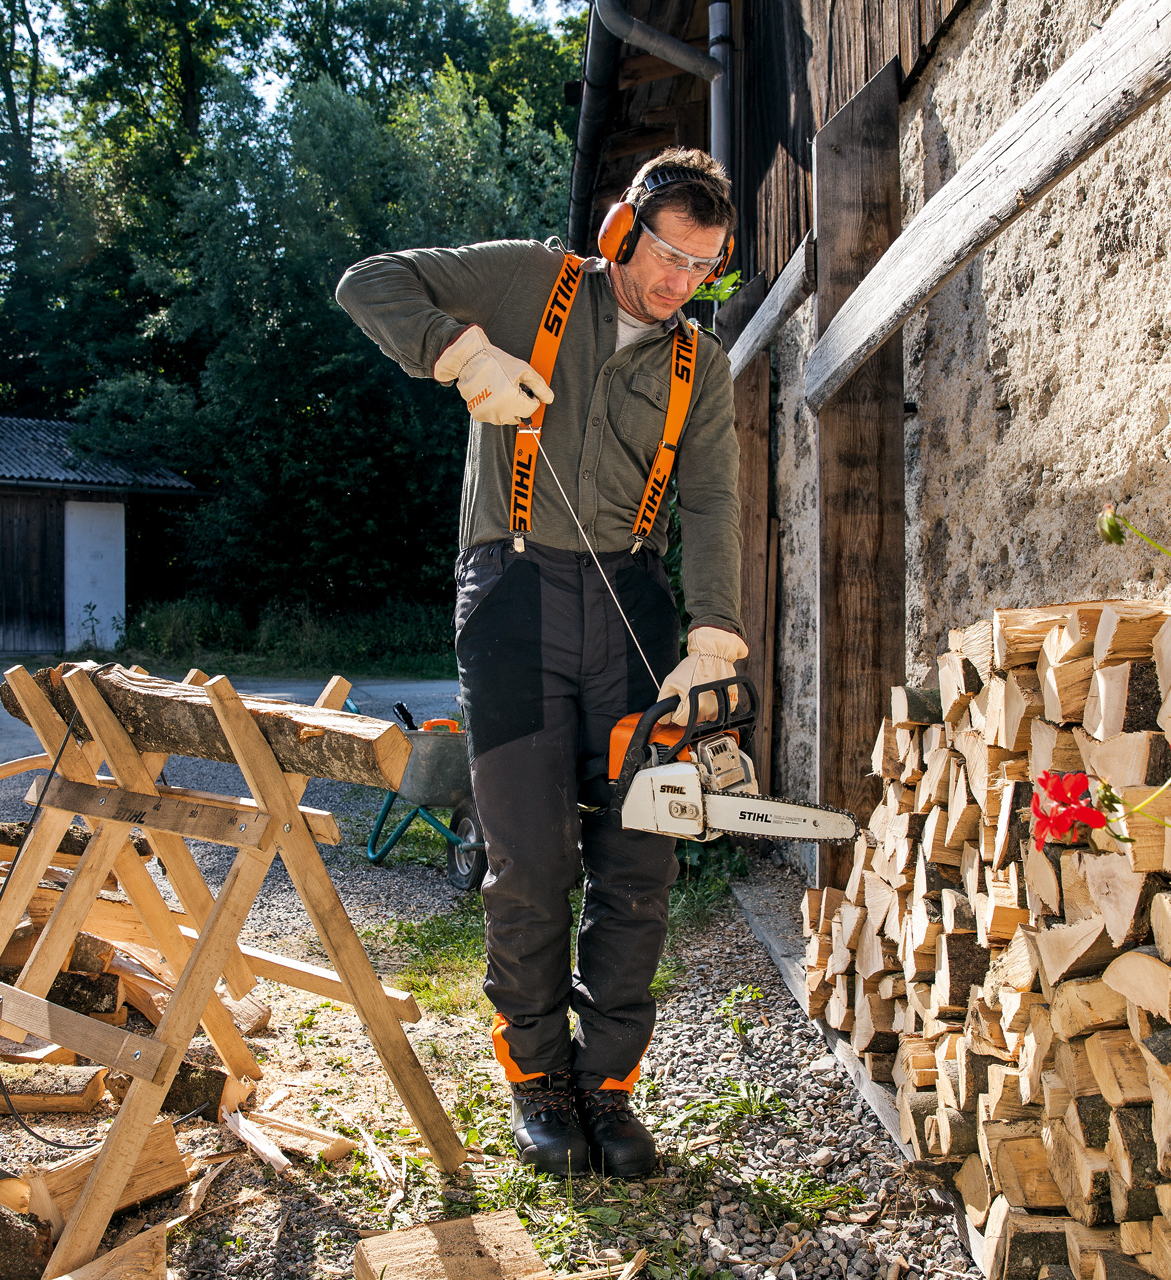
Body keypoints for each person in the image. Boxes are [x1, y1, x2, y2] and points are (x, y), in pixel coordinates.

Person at [336, 148, 743, 1178]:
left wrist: (712, 636)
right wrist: (457, 354)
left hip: (637, 609)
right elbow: (368, 282)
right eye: (663, 255)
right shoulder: (530, 280)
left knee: (640, 861)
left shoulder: (704, 363)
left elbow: (712, 502)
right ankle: (538, 1079)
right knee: (529, 860)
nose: (675, 283)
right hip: (512, 595)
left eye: (700, 267)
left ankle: (608, 1086)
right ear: (622, 232)